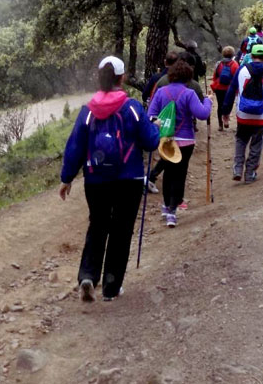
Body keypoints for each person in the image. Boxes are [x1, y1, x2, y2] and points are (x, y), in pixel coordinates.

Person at [59, 56, 160, 303]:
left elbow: (75, 146)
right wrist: (154, 127)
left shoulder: (88, 111)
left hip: (96, 180)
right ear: (122, 77)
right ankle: (111, 288)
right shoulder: (133, 108)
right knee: (121, 229)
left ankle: (88, 276)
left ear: (100, 76)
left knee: (98, 225)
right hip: (129, 179)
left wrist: (67, 178)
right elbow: (150, 142)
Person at [147, 59, 212, 227]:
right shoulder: (189, 93)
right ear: (188, 76)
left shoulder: (161, 92)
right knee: (180, 175)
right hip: (185, 141)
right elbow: (203, 114)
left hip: (166, 141)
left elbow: (151, 115)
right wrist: (208, 101)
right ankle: (172, 211)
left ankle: (165, 205)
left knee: (168, 174)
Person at [222, 44, 263, 184]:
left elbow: (230, 91)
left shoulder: (241, 70)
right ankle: (250, 173)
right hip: (261, 115)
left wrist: (225, 112)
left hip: (243, 114)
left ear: (251, 56)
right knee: (257, 143)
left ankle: (238, 169)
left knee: (241, 139)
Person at [209, 46, 239, 131]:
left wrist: (215, 85)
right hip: (230, 88)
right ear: (232, 54)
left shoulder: (219, 63)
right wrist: (236, 90)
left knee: (220, 105)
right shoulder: (235, 64)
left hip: (219, 87)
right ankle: (226, 119)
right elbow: (236, 78)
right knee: (228, 104)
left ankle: (220, 125)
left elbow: (215, 76)